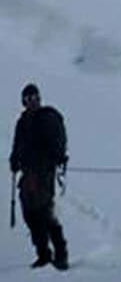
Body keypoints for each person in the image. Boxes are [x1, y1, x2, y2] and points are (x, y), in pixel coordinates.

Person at [9, 84, 68, 270]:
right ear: (23, 102)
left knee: (43, 211)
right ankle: (43, 253)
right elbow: (17, 144)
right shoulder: (22, 122)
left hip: (43, 171)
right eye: (28, 99)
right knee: (30, 213)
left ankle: (60, 254)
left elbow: (56, 143)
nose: (32, 101)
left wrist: (56, 156)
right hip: (28, 173)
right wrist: (14, 159)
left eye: (34, 98)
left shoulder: (47, 118)